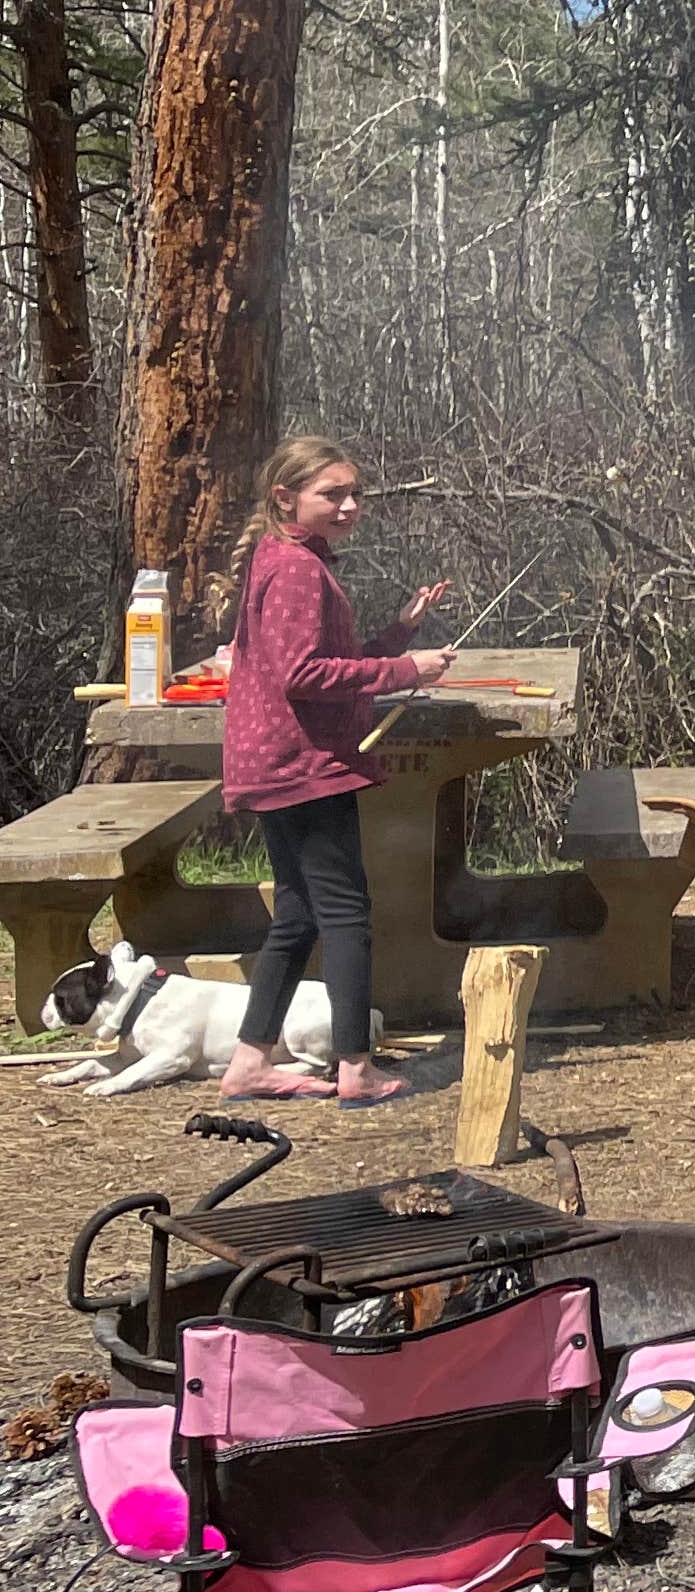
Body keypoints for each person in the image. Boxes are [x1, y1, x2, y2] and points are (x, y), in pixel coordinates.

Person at [218, 437, 453, 1103]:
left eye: (355, 494)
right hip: (303, 764)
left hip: (278, 762)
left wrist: (400, 633)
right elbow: (306, 677)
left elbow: (321, 663)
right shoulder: (295, 569)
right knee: (346, 912)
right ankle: (356, 1067)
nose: (350, 505)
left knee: (297, 912)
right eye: (333, 494)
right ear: (286, 498)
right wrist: (407, 671)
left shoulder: (285, 557)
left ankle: (249, 1063)